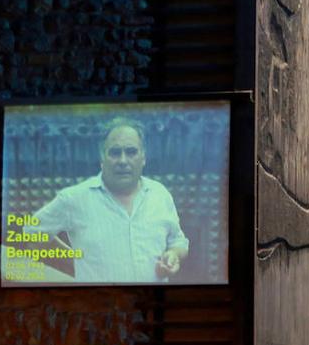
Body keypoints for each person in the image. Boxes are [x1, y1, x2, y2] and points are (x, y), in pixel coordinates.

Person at [23, 117, 190, 283]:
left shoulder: (160, 194)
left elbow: (178, 240)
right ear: (102, 158)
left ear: (143, 157)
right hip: (99, 306)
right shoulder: (74, 198)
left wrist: (174, 254)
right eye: (115, 152)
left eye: (131, 152)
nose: (123, 161)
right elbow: (32, 234)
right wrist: (72, 263)